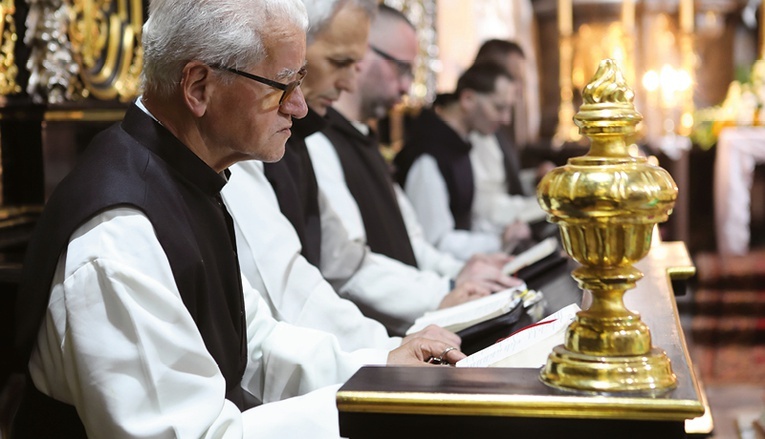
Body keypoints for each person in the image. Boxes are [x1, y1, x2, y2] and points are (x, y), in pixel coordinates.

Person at [11, 1, 464, 437]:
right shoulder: (120, 239)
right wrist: (368, 397)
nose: (300, 106)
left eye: (301, 80)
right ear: (199, 88)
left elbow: (255, 346)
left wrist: (383, 368)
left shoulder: (189, 175)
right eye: (282, 85)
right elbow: (192, 434)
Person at [225, 0, 516, 337]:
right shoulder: (292, 143)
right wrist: (386, 349)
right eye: (341, 62)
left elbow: (353, 258)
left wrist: (450, 285)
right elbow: (287, 298)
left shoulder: (311, 141)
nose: (349, 80)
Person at [306, 5, 520, 305]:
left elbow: (413, 242)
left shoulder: (364, 139)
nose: (407, 86)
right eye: (401, 68)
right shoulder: (317, 141)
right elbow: (347, 269)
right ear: (362, 54)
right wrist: (446, 288)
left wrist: (460, 274)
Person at [394, 62, 532, 261]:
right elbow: (434, 242)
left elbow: (467, 218)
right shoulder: (429, 154)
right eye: (499, 107)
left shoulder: (459, 143)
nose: (506, 119)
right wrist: (498, 240)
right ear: (468, 99)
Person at [468, 39, 552, 237]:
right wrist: (554, 203)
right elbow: (487, 208)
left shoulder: (495, 125)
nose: (520, 89)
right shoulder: (477, 127)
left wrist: (534, 178)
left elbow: (501, 182)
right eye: (514, 78)